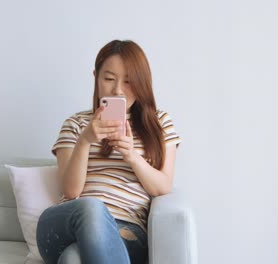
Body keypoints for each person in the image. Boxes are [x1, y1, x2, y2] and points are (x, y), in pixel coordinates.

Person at [36, 39, 182, 264]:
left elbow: (163, 186)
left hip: (126, 231)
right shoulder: (75, 124)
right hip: (65, 223)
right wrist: (85, 140)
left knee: (72, 259)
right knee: (92, 208)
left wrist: (132, 156)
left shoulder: (159, 123)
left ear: (142, 82)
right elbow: (71, 191)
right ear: (96, 77)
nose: (118, 90)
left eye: (128, 81)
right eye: (109, 79)